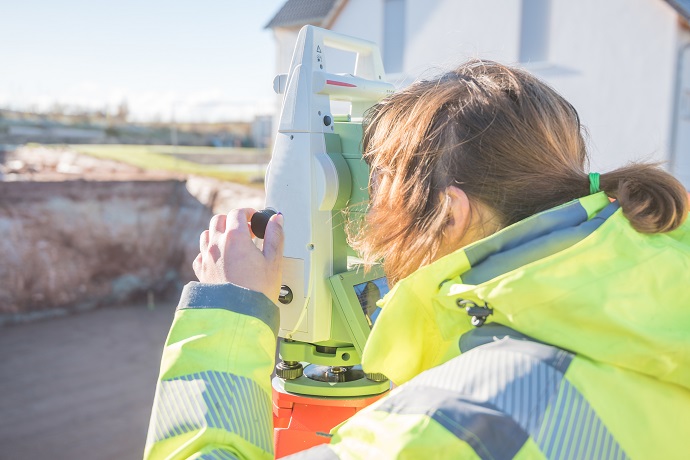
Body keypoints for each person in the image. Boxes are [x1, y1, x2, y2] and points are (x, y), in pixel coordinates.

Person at [144, 60, 690, 459]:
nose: (369, 224)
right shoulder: (658, 288)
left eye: (381, 193)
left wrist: (226, 313)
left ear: (449, 213)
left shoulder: (449, 421)